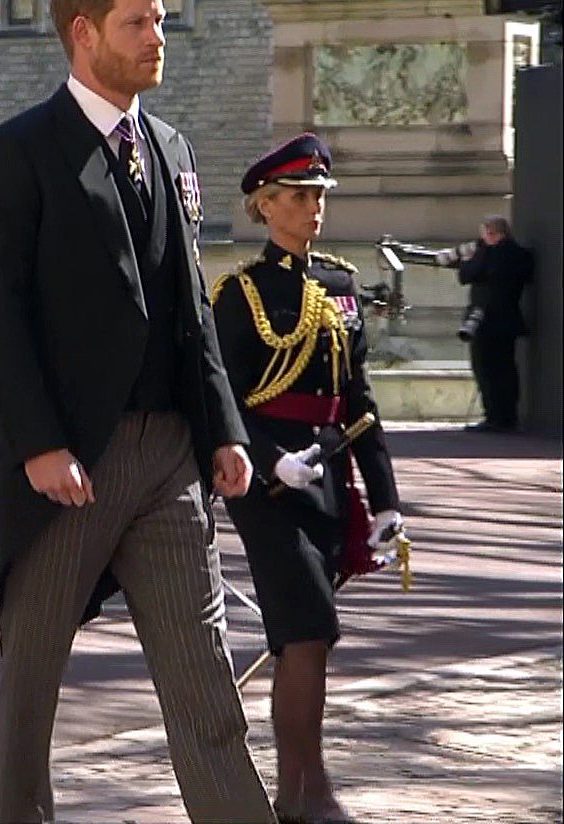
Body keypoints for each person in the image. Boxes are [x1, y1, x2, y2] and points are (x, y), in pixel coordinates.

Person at [0, 0, 270, 824]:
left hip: (169, 456)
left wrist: (222, 431)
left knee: (204, 677)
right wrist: (42, 444)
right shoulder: (20, 151)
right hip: (71, 462)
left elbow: (190, 307)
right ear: (84, 31)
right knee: (31, 684)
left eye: (161, 18)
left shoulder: (169, 146)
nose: (157, 35)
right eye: (139, 21)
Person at [212, 132, 405, 824]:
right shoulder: (240, 294)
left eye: (319, 196)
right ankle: (310, 790)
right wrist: (268, 459)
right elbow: (223, 395)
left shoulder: (340, 285)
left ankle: (295, 792)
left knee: (305, 634)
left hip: (327, 474)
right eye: (298, 197)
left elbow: (359, 397)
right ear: (266, 207)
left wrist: (384, 500)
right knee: (308, 627)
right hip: (268, 483)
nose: (312, 208)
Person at [450, 214, 534, 432]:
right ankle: (503, 416)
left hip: (490, 320)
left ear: (500, 234)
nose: (486, 238)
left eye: (490, 233)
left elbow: (468, 274)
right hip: (499, 321)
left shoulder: (494, 255)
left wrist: (472, 257)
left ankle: (497, 416)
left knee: (489, 369)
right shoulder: (517, 255)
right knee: (501, 368)